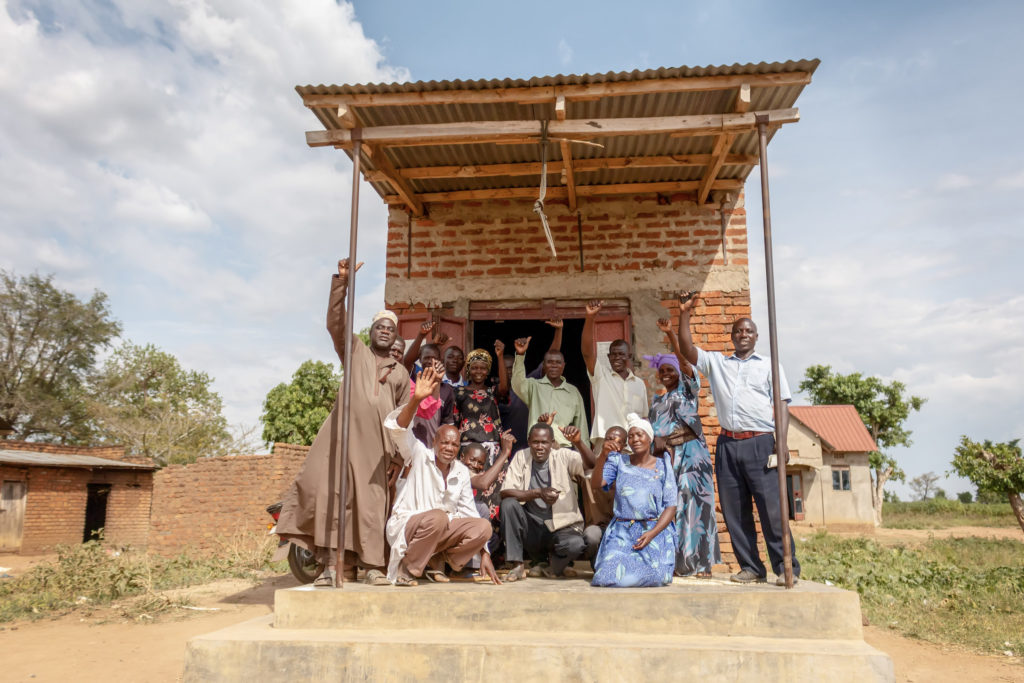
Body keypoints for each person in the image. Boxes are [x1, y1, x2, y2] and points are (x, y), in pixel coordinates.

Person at [276, 258, 410, 587]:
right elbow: (336, 322)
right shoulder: (354, 351)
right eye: (379, 326)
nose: (385, 331)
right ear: (371, 331)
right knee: (336, 499)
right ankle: (331, 567)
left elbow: (404, 419)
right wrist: (342, 284)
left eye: (390, 328)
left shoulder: (402, 373)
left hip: (378, 451)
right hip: (342, 442)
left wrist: (396, 457)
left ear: (395, 337)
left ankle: (371, 567)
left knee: (372, 506)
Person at [676, 291, 800, 586]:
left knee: (772, 509)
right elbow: (687, 349)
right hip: (728, 444)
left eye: (749, 331)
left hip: (761, 442)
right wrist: (684, 313)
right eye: (739, 331)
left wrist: (780, 444)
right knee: (735, 509)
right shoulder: (719, 364)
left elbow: (782, 404)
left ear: (756, 337)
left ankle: (786, 567)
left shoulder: (770, 365)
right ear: (732, 336)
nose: (743, 334)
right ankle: (751, 567)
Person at [382, 365, 501, 586]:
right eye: (444, 442)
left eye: (454, 444)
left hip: (438, 532)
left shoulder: (460, 471)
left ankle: (439, 558)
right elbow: (398, 429)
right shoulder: (418, 454)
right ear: (434, 443)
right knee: (438, 516)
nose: (449, 447)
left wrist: (484, 553)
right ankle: (407, 568)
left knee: (483, 526)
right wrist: (416, 400)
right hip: (410, 527)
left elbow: (469, 512)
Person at [648, 317, 720, 577]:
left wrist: (671, 335)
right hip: (667, 461)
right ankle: (677, 563)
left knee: (696, 507)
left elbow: (685, 361)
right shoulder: (656, 403)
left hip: (691, 458)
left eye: (671, 370)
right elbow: (653, 434)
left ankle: (701, 565)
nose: (667, 375)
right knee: (671, 507)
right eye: (663, 371)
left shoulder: (689, 389)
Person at [500, 422, 600, 581]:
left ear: (552, 443)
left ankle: (553, 566)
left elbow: (592, 465)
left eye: (544, 442)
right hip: (532, 527)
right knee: (508, 504)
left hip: (561, 526)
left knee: (575, 544)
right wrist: (537, 493)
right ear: (528, 441)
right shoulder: (521, 456)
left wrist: (578, 443)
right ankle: (517, 565)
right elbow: (506, 492)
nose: (540, 447)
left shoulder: (563, 455)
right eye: (535, 442)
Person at [581, 299, 648, 525]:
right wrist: (590, 318)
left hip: (632, 448)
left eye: (622, 355)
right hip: (606, 445)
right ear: (608, 357)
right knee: (602, 492)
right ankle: (601, 536)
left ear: (629, 357)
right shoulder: (600, 378)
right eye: (613, 355)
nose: (617, 358)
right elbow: (588, 353)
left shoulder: (640, 384)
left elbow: (644, 418)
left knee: (629, 495)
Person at [591, 414, 678, 587]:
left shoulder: (662, 465)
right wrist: (603, 456)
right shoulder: (618, 461)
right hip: (622, 531)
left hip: (653, 532)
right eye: (631, 436)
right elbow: (596, 484)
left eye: (640, 435)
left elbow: (671, 506)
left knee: (655, 577)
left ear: (649, 438)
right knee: (605, 577)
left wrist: (652, 534)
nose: (635, 439)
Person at [510, 336, 590, 449]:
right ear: (544, 365)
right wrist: (520, 355)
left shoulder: (573, 392)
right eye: (550, 362)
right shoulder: (534, 386)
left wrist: (583, 454)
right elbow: (517, 384)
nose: (554, 365)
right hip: (538, 447)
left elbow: (581, 425)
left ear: (563, 366)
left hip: (564, 449)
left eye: (558, 362)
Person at [494, 319, 563, 448]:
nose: (510, 371)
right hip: (509, 449)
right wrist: (500, 355)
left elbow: (549, 361)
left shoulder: (528, 385)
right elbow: (503, 388)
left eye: (513, 367)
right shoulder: (498, 392)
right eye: (505, 368)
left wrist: (558, 331)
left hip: (532, 448)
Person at [460, 430, 516, 560]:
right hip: (453, 524)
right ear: (462, 457)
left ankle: (473, 564)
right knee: (481, 509)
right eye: (472, 460)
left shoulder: (470, 471)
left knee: (492, 537)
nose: (475, 465)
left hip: (464, 526)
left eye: (480, 463)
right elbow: (483, 483)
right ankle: (468, 566)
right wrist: (504, 454)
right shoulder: (458, 468)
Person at [452, 348, 503, 463]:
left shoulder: (493, 392)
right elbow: (455, 422)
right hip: (467, 449)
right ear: (469, 370)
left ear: (488, 371)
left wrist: (500, 356)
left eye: (483, 368)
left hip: (492, 450)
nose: (478, 371)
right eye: (474, 368)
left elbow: (504, 388)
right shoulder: (459, 392)